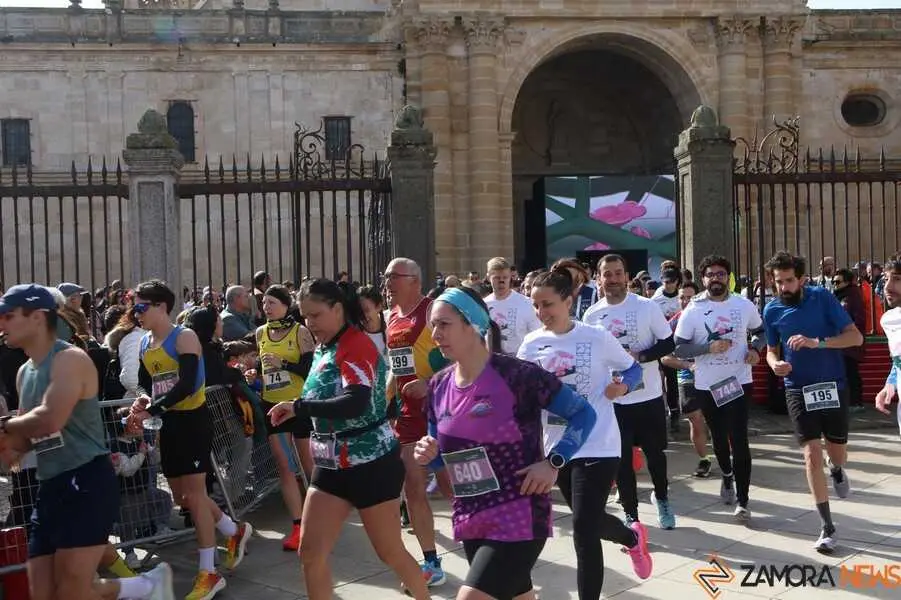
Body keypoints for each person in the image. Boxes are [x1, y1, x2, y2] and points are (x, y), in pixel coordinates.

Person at [414, 286, 598, 600]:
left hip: (518, 512)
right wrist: (428, 454)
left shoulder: (518, 376)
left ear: (472, 324)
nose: (435, 334)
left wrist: (554, 462)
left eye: (444, 324)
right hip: (471, 514)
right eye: (433, 325)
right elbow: (439, 457)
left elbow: (583, 414)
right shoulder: (438, 386)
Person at [0, 283, 174, 600]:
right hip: (49, 486)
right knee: (44, 591)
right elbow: (28, 438)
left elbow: (51, 418)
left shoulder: (70, 360)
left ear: (37, 318)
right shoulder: (25, 372)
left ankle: (146, 587)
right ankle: (145, 587)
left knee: (71, 590)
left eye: (9, 315)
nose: (2, 322)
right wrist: (9, 447)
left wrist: (5, 424)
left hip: (85, 480)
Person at [266, 278, 430, 600]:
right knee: (310, 552)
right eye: (305, 316)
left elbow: (355, 402)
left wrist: (299, 407)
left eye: (316, 315)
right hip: (330, 466)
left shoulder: (355, 345)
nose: (310, 324)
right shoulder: (324, 347)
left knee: (390, 552)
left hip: (371, 464)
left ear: (338, 308)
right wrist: (298, 407)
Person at [517, 268, 653, 600]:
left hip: (598, 442)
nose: (541, 312)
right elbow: (518, 391)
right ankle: (631, 538)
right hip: (557, 447)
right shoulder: (531, 344)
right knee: (588, 519)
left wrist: (623, 387)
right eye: (536, 305)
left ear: (568, 301)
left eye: (548, 304)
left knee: (582, 530)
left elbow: (633, 370)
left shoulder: (596, 337)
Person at [130, 280, 252, 599]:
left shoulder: (183, 337)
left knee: (196, 497)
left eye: (141, 307)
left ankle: (208, 573)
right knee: (183, 498)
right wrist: (143, 400)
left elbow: (186, 385)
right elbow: (145, 383)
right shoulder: (144, 343)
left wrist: (152, 408)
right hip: (168, 424)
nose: (136, 313)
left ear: (161, 306)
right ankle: (233, 529)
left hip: (193, 421)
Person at [762, 252, 863, 553]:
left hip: (832, 384)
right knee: (811, 454)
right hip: (797, 388)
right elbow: (771, 350)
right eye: (778, 282)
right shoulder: (771, 310)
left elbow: (855, 338)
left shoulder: (823, 298)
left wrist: (817, 343)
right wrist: (775, 365)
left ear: (802, 279)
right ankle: (827, 526)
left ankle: (837, 468)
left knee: (837, 452)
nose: (784, 287)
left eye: (789, 280)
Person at [582, 254, 677, 530]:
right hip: (615, 401)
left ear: (626, 277)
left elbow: (668, 343)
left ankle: (662, 499)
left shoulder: (646, 306)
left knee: (655, 456)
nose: (613, 279)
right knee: (622, 461)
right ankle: (631, 514)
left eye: (617, 273)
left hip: (648, 396)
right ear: (599, 279)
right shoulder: (592, 315)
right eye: (607, 274)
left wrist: (640, 356)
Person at [674, 255, 764, 523]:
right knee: (719, 437)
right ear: (703, 279)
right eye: (710, 274)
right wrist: (708, 348)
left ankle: (743, 501)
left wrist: (755, 349)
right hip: (707, 385)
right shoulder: (694, 308)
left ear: (728, 278)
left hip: (739, 381)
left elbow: (761, 332)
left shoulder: (743, 304)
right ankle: (726, 474)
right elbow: (679, 348)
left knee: (739, 438)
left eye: (721, 274)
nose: (716, 279)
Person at [384, 257, 450, 585]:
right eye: (385, 276)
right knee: (413, 485)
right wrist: (383, 400)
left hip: (445, 411)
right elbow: (397, 367)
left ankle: (486, 539)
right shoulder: (391, 317)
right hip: (409, 415)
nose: (387, 282)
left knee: (453, 487)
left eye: (393, 276)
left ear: (414, 280)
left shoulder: (432, 311)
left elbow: (463, 357)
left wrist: (429, 383)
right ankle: (431, 561)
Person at [255, 284, 316, 551]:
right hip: (272, 405)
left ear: (285, 305)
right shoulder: (260, 333)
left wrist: (285, 365)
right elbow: (264, 367)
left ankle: (321, 515)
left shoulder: (300, 332)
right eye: (264, 303)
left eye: (272, 303)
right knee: (284, 466)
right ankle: (297, 525)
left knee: (309, 464)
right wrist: (255, 373)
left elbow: (310, 369)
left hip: (297, 405)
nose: (266, 307)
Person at [660, 283, 711, 477]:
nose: (685, 301)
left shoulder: (710, 317)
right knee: (694, 419)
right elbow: (665, 357)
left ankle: (725, 455)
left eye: (690, 297)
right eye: (682, 297)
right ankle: (704, 459)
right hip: (687, 377)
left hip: (715, 377)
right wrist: (688, 365)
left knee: (719, 420)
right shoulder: (673, 323)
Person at [485, 257, 541, 356]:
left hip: (519, 360)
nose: (501, 282)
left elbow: (537, 335)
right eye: (497, 278)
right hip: (492, 360)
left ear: (510, 277)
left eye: (505, 277)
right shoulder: (483, 305)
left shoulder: (526, 303)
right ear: (489, 277)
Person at [875, 257, 901, 436]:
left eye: (897, 279)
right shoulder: (889, 320)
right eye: (886, 278)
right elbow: (898, 362)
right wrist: (889, 386)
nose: (888, 286)